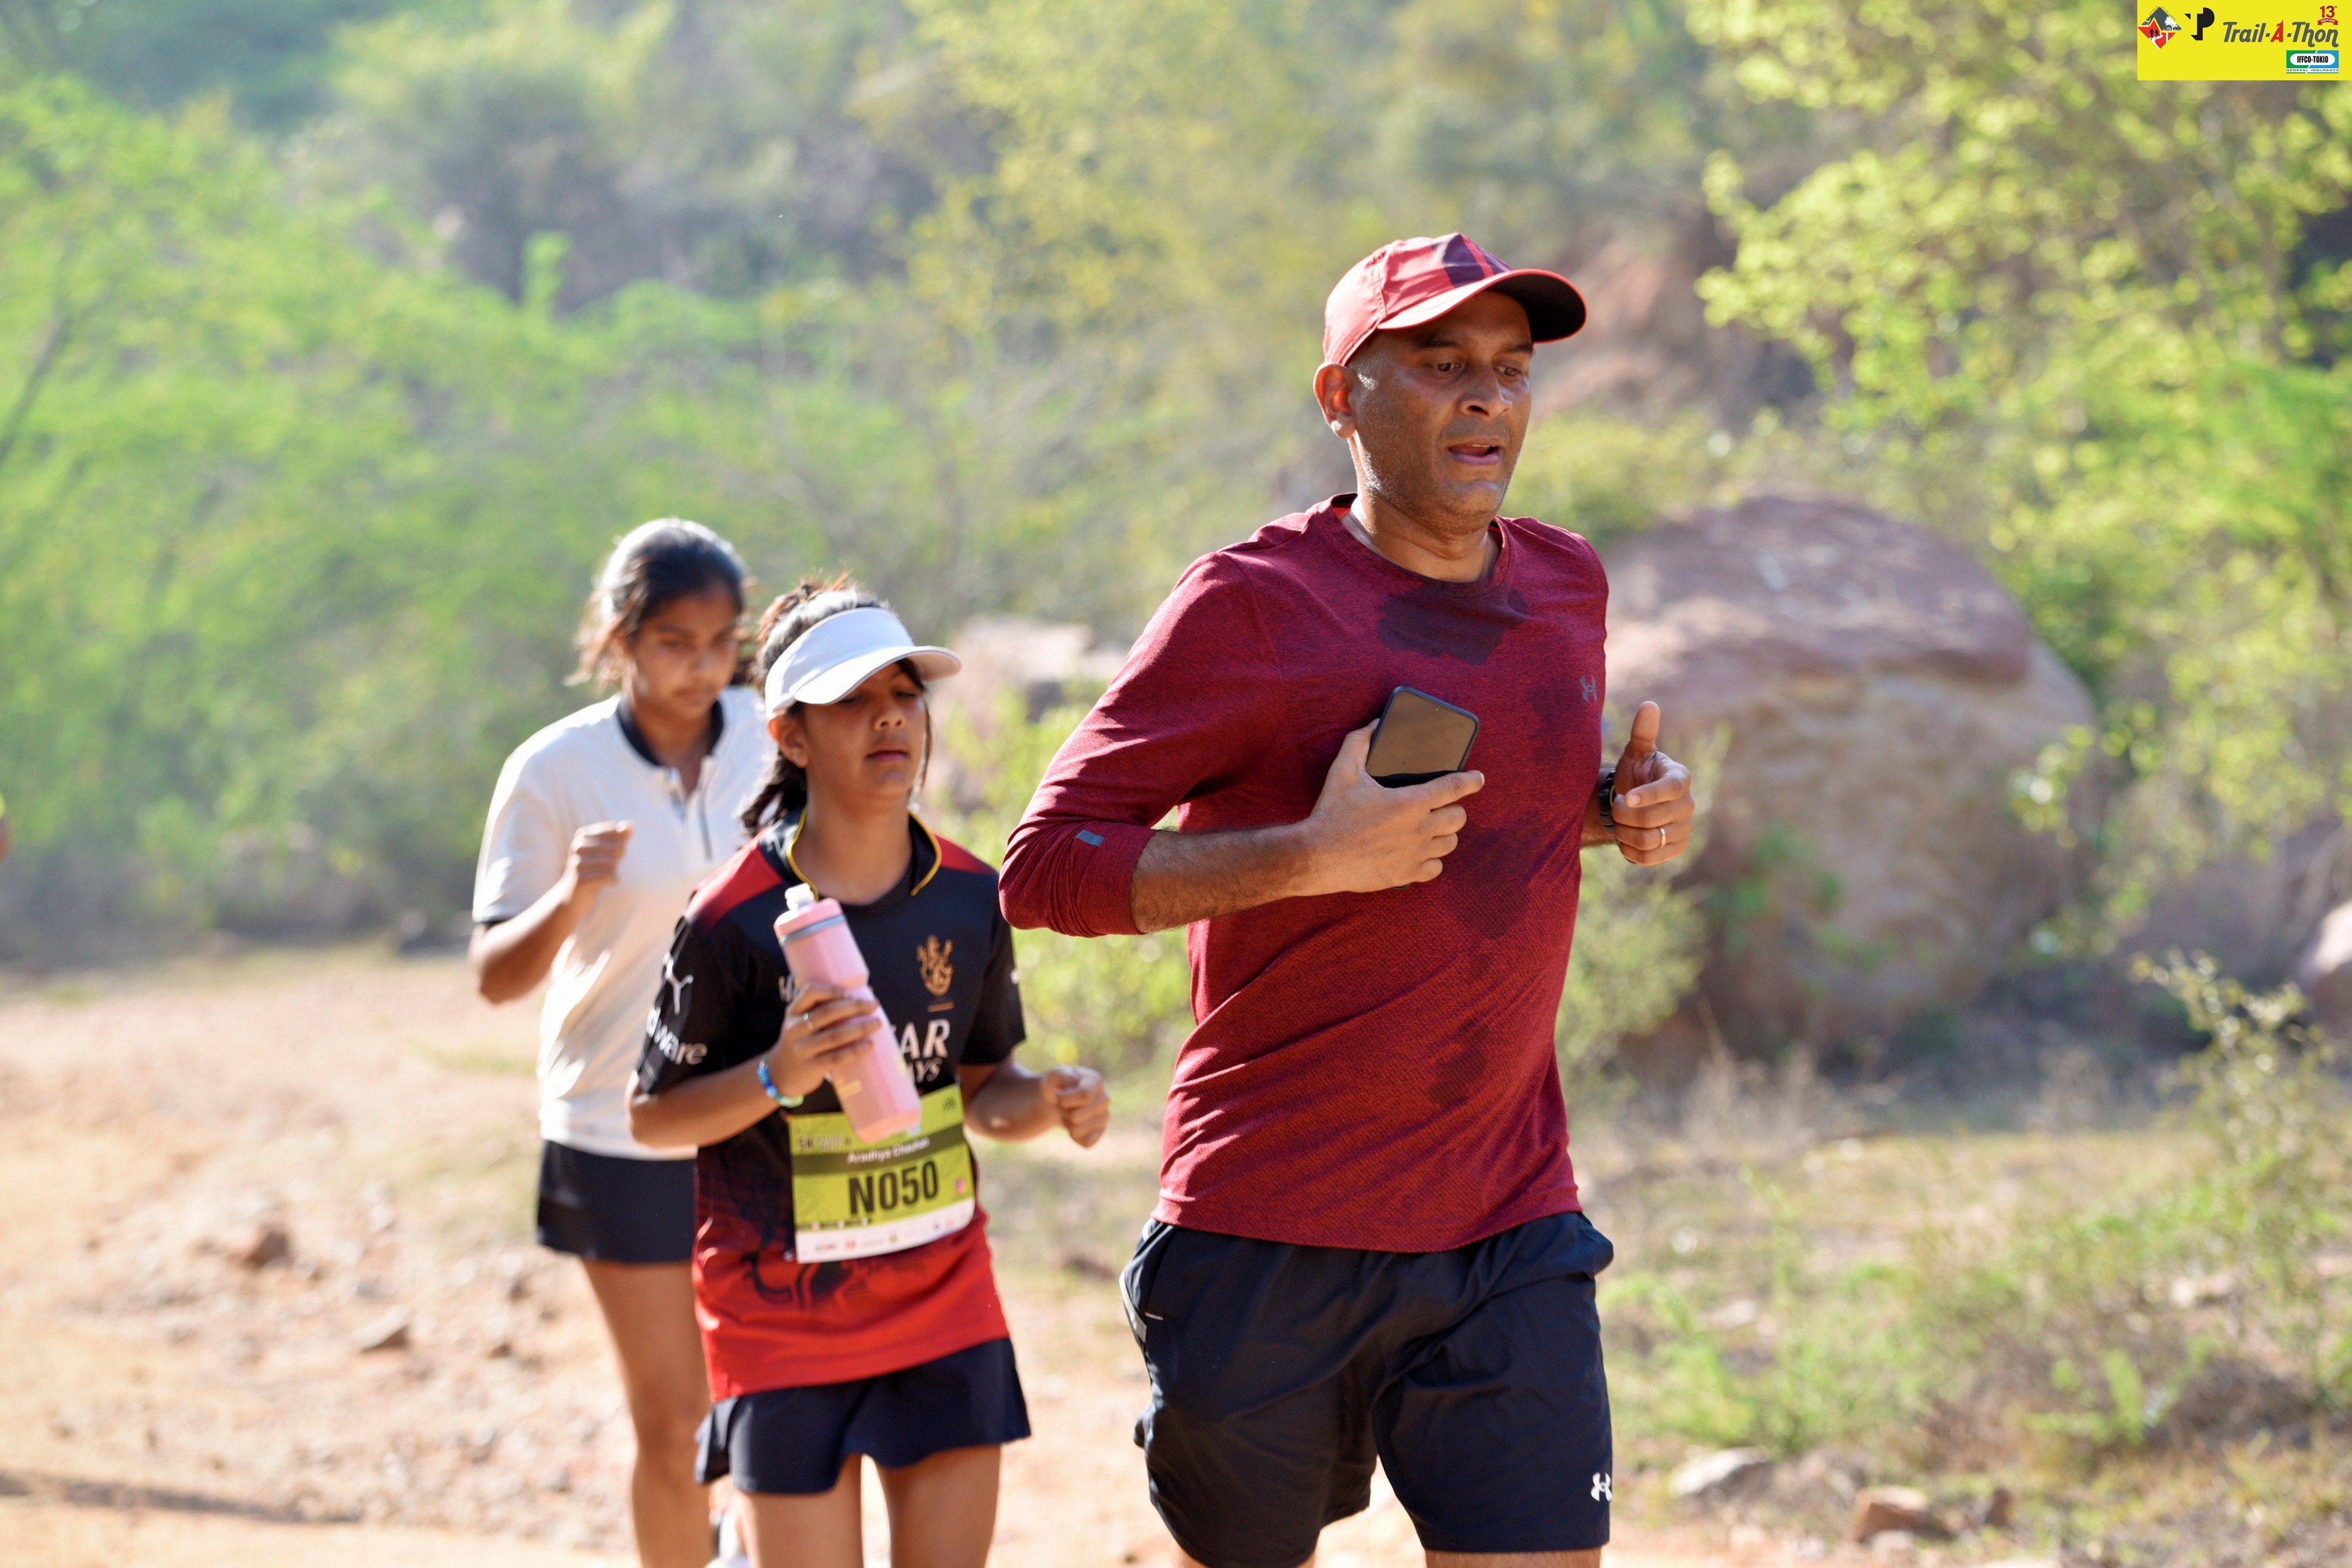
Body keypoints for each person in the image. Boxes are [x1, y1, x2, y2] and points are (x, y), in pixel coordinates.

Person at [999, 233, 1698, 1568]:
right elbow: (1044, 868)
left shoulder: (1566, 584)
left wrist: (1617, 810)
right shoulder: (1252, 606)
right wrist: (1308, 855)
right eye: (1440, 365)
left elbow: (1497, 802)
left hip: (1507, 1218)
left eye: (1509, 369)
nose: (1486, 397)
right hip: (1270, 1223)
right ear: (1341, 397)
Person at [627, 578, 1112, 1568]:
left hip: (943, 1298)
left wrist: (1048, 1099)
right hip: (779, 1314)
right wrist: (779, 1072)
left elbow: (983, 1090)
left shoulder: (971, 896)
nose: (889, 716)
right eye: (851, 698)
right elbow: (652, 1116)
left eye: (904, 693)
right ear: (791, 735)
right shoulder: (731, 918)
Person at [470, 519, 776, 1568]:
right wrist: (571, 893)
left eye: (723, 642)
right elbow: (495, 975)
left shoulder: (774, 736)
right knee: (676, 1417)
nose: (704, 668)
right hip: (617, 1127)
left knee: (773, 1397)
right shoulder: (554, 769)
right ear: (619, 638)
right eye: (676, 643)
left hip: (762, 1107)